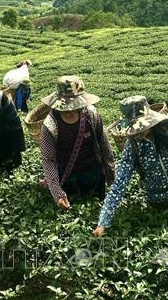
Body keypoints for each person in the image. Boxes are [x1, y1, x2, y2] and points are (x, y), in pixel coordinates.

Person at [93, 95, 168, 237]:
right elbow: (119, 184)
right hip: (159, 197)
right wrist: (103, 223)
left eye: (140, 128)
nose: (137, 132)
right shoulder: (132, 146)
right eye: (133, 129)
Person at [39, 75, 115, 209]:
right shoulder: (50, 126)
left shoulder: (91, 115)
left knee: (97, 202)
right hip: (68, 175)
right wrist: (57, 193)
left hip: (93, 172)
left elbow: (104, 144)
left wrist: (110, 171)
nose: (70, 109)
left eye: (74, 105)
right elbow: (48, 160)